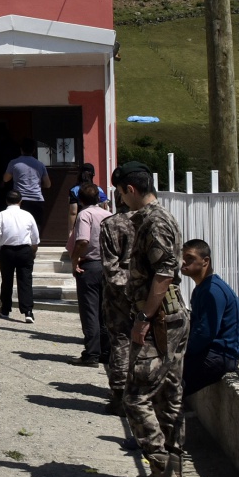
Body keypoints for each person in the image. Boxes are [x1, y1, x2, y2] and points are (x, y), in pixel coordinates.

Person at [118, 163, 190, 477]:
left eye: (121, 192)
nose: (120, 198)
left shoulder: (155, 221)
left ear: (130, 189)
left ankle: (164, 473)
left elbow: (163, 272)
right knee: (168, 396)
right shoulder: (156, 217)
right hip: (169, 316)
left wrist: (144, 316)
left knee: (135, 397)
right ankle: (172, 472)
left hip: (160, 318)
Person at [99, 165, 140, 413]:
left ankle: (120, 393)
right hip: (146, 290)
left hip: (118, 291)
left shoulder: (111, 224)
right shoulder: (151, 220)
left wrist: (121, 285)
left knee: (121, 342)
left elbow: (109, 264)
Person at [182, 239, 239, 395]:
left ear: (205, 261)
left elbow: (206, 332)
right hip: (210, 352)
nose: (183, 262)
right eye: (182, 257)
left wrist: (184, 352)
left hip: (220, 356)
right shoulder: (202, 289)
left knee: (170, 384)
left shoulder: (212, 291)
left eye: (190, 258)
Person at [68, 183, 109, 366]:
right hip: (108, 266)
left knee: (90, 311)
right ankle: (106, 351)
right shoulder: (108, 215)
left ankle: (91, 353)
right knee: (104, 311)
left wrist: (75, 259)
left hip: (90, 264)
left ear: (81, 200)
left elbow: (83, 240)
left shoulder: (85, 214)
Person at [0, 188, 40, 323]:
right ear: (20, 201)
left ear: (7, 201)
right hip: (25, 250)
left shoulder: (1, 215)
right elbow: (35, 236)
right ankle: (28, 311)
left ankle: (6, 309)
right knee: (25, 280)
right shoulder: (28, 215)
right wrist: (33, 250)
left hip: (7, 250)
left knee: (7, 280)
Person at [3, 137, 51, 228]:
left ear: (21, 149)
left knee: (20, 227)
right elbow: (48, 184)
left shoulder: (14, 163)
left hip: (20, 200)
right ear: (33, 150)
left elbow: (6, 179)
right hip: (37, 200)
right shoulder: (40, 164)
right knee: (35, 228)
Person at [67, 163, 99, 235]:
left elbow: (73, 212)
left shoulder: (74, 190)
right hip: (96, 225)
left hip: (80, 224)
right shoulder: (98, 190)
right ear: (93, 175)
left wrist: (71, 230)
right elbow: (104, 207)